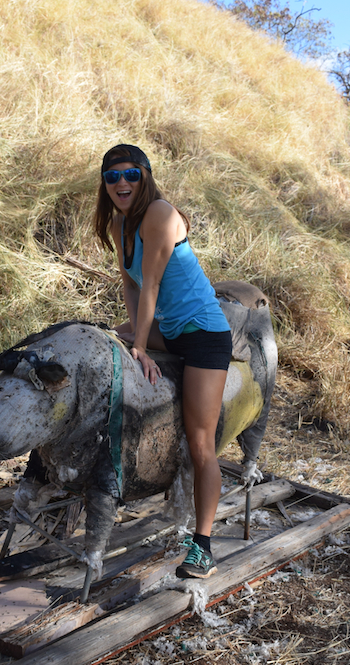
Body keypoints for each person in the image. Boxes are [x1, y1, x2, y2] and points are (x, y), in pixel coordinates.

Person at [92, 144, 233, 579]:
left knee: (200, 444)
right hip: (169, 328)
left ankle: (203, 547)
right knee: (102, 337)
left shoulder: (159, 213)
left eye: (130, 174)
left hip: (205, 336)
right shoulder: (120, 224)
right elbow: (131, 287)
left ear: (145, 176)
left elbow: (151, 284)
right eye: (112, 176)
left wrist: (141, 346)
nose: (121, 184)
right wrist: (134, 333)